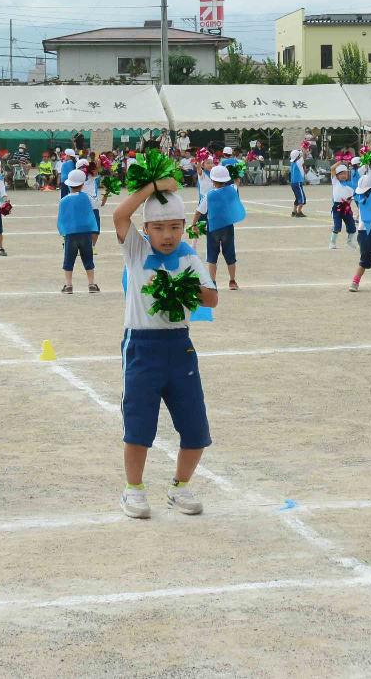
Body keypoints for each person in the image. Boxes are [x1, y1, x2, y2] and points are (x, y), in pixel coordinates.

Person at [109, 172, 218, 518]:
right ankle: (134, 489)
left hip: (179, 346)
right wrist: (154, 188)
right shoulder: (137, 250)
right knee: (139, 424)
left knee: (196, 428)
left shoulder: (189, 257)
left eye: (175, 227)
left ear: (185, 226)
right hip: (142, 345)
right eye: (158, 227)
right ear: (147, 229)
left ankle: (180, 486)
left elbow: (212, 299)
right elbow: (119, 216)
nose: (167, 236)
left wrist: (182, 288)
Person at [57, 171, 100, 293]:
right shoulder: (87, 197)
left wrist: (63, 232)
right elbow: (96, 205)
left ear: (69, 185)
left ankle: (68, 285)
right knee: (88, 258)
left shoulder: (63, 200)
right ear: (82, 184)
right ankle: (91, 284)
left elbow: (62, 218)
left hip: (70, 234)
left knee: (68, 259)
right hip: (85, 232)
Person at [203, 162, 245, 291]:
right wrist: (236, 172)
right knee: (230, 253)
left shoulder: (208, 195)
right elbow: (237, 181)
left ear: (212, 179)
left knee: (212, 255)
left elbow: (200, 211)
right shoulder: (232, 190)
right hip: (227, 226)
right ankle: (232, 281)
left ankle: (212, 282)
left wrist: (193, 224)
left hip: (213, 227)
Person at [327, 160, 356, 251]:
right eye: (341, 174)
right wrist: (341, 162)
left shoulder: (351, 185)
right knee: (337, 226)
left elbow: (351, 198)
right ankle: (332, 242)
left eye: (345, 174)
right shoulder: (335, 182)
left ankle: (349, 241)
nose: (343, 175)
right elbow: (332, 168)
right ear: (337, 175)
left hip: (346, 207)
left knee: (352, 226)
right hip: (337, 207)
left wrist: (348, 205)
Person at [287, 149, 307, 218]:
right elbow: (304, 155)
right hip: (297, 183)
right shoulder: (298, 162)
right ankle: (299, 212)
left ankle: (294, 211)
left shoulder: (293, 163)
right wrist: (305, 147)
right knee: (302, 198)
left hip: (293, 183)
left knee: (297, 197)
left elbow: (301, 155)